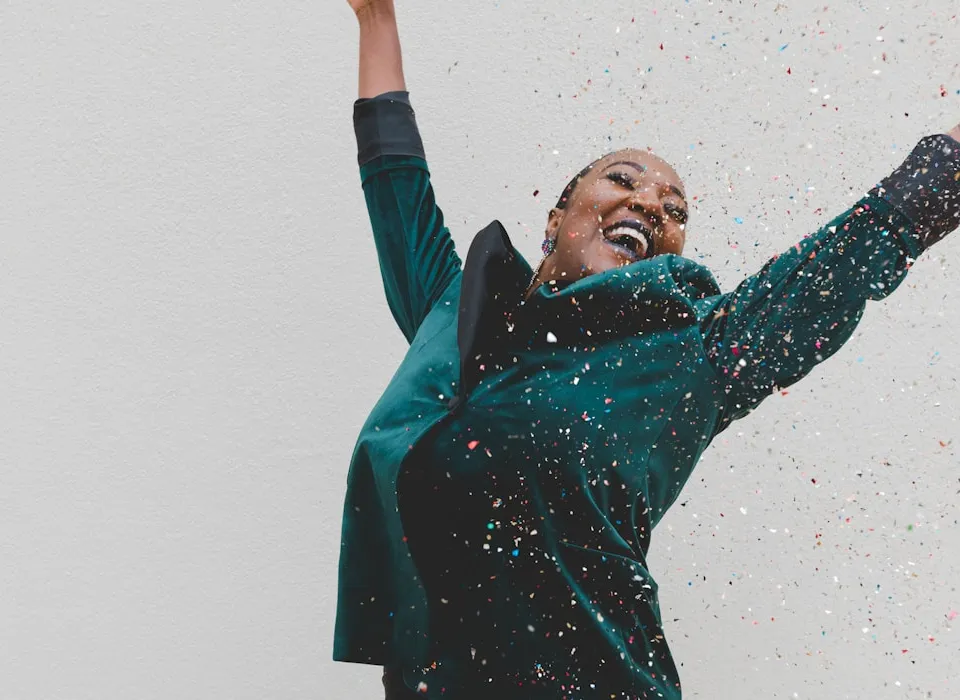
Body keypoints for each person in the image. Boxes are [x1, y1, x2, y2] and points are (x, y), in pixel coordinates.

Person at [333, 1, 960, 698]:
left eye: (675, 209)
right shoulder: (452, 313)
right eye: (624, 180)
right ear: (558, 217)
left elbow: (844, 260)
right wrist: (376, 20)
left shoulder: (693, 356)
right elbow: (397, 181)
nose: (652, 204)